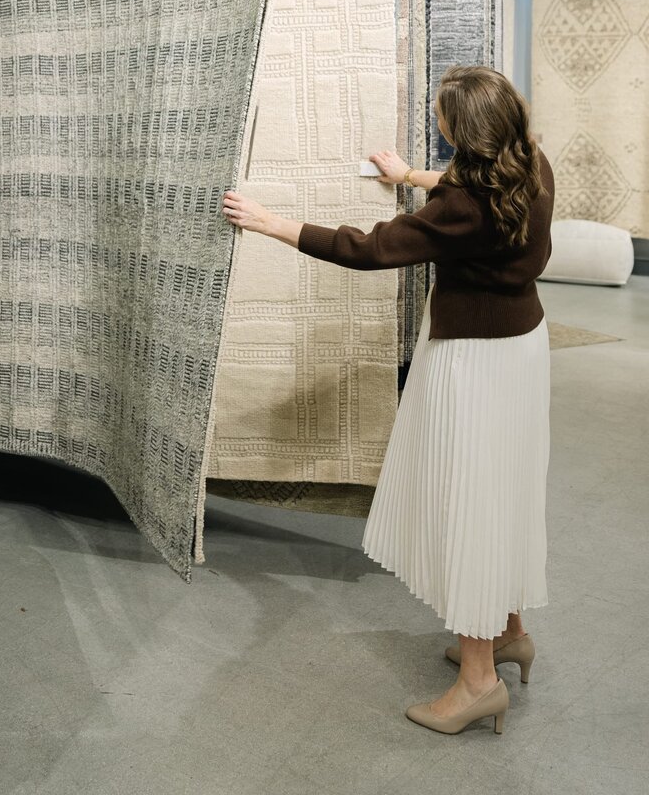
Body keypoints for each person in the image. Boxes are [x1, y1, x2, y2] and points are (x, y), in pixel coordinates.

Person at [222, 65, 554, 736]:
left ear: (465, 132)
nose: (436, 121)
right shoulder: (530, 163)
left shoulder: (463, 206)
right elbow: (463, 191)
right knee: (503, 494)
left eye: (442, 115)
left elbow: (370, 248)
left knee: (468, 505)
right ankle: (509, 632)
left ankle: (479, 681)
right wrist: (411, 177)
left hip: (475, 362)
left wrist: (272, 222)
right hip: (522, 350)